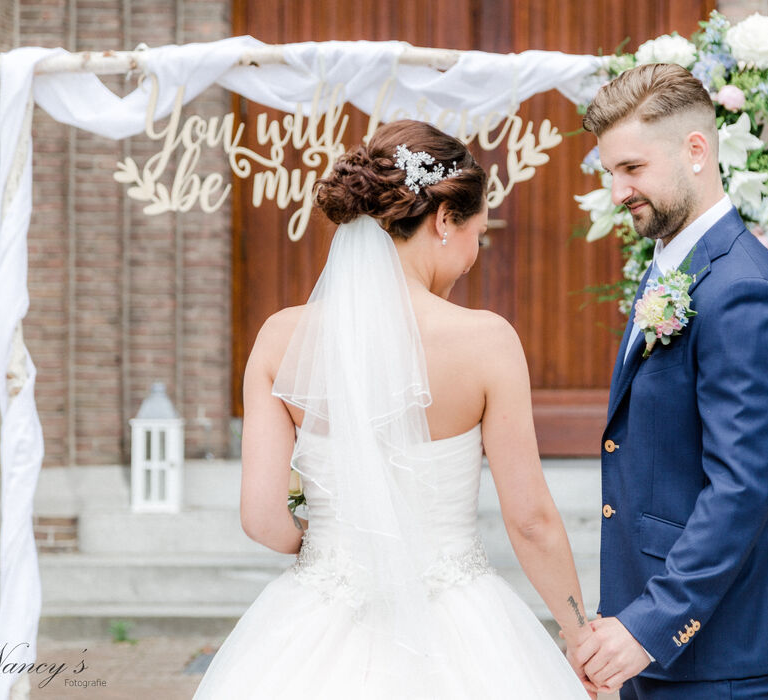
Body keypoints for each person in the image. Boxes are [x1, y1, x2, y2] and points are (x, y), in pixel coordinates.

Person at [193, 119, 594, 699]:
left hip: (318, 621)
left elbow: (262, 518)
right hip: (459, 625)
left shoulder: (282, 339)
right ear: (444, 221)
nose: (472, 255)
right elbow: (530, 520)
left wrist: (336, 551)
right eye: (476, 234)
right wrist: (580, 635)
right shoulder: (487, 342)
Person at [570, 64, 768, 699]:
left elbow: (740, 489)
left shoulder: (746, 292)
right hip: (656, 636)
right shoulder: (674, 265)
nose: (617, 190)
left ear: (696, 151)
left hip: (714, 653)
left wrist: (649, 626)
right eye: (610, 172)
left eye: (632, 168)